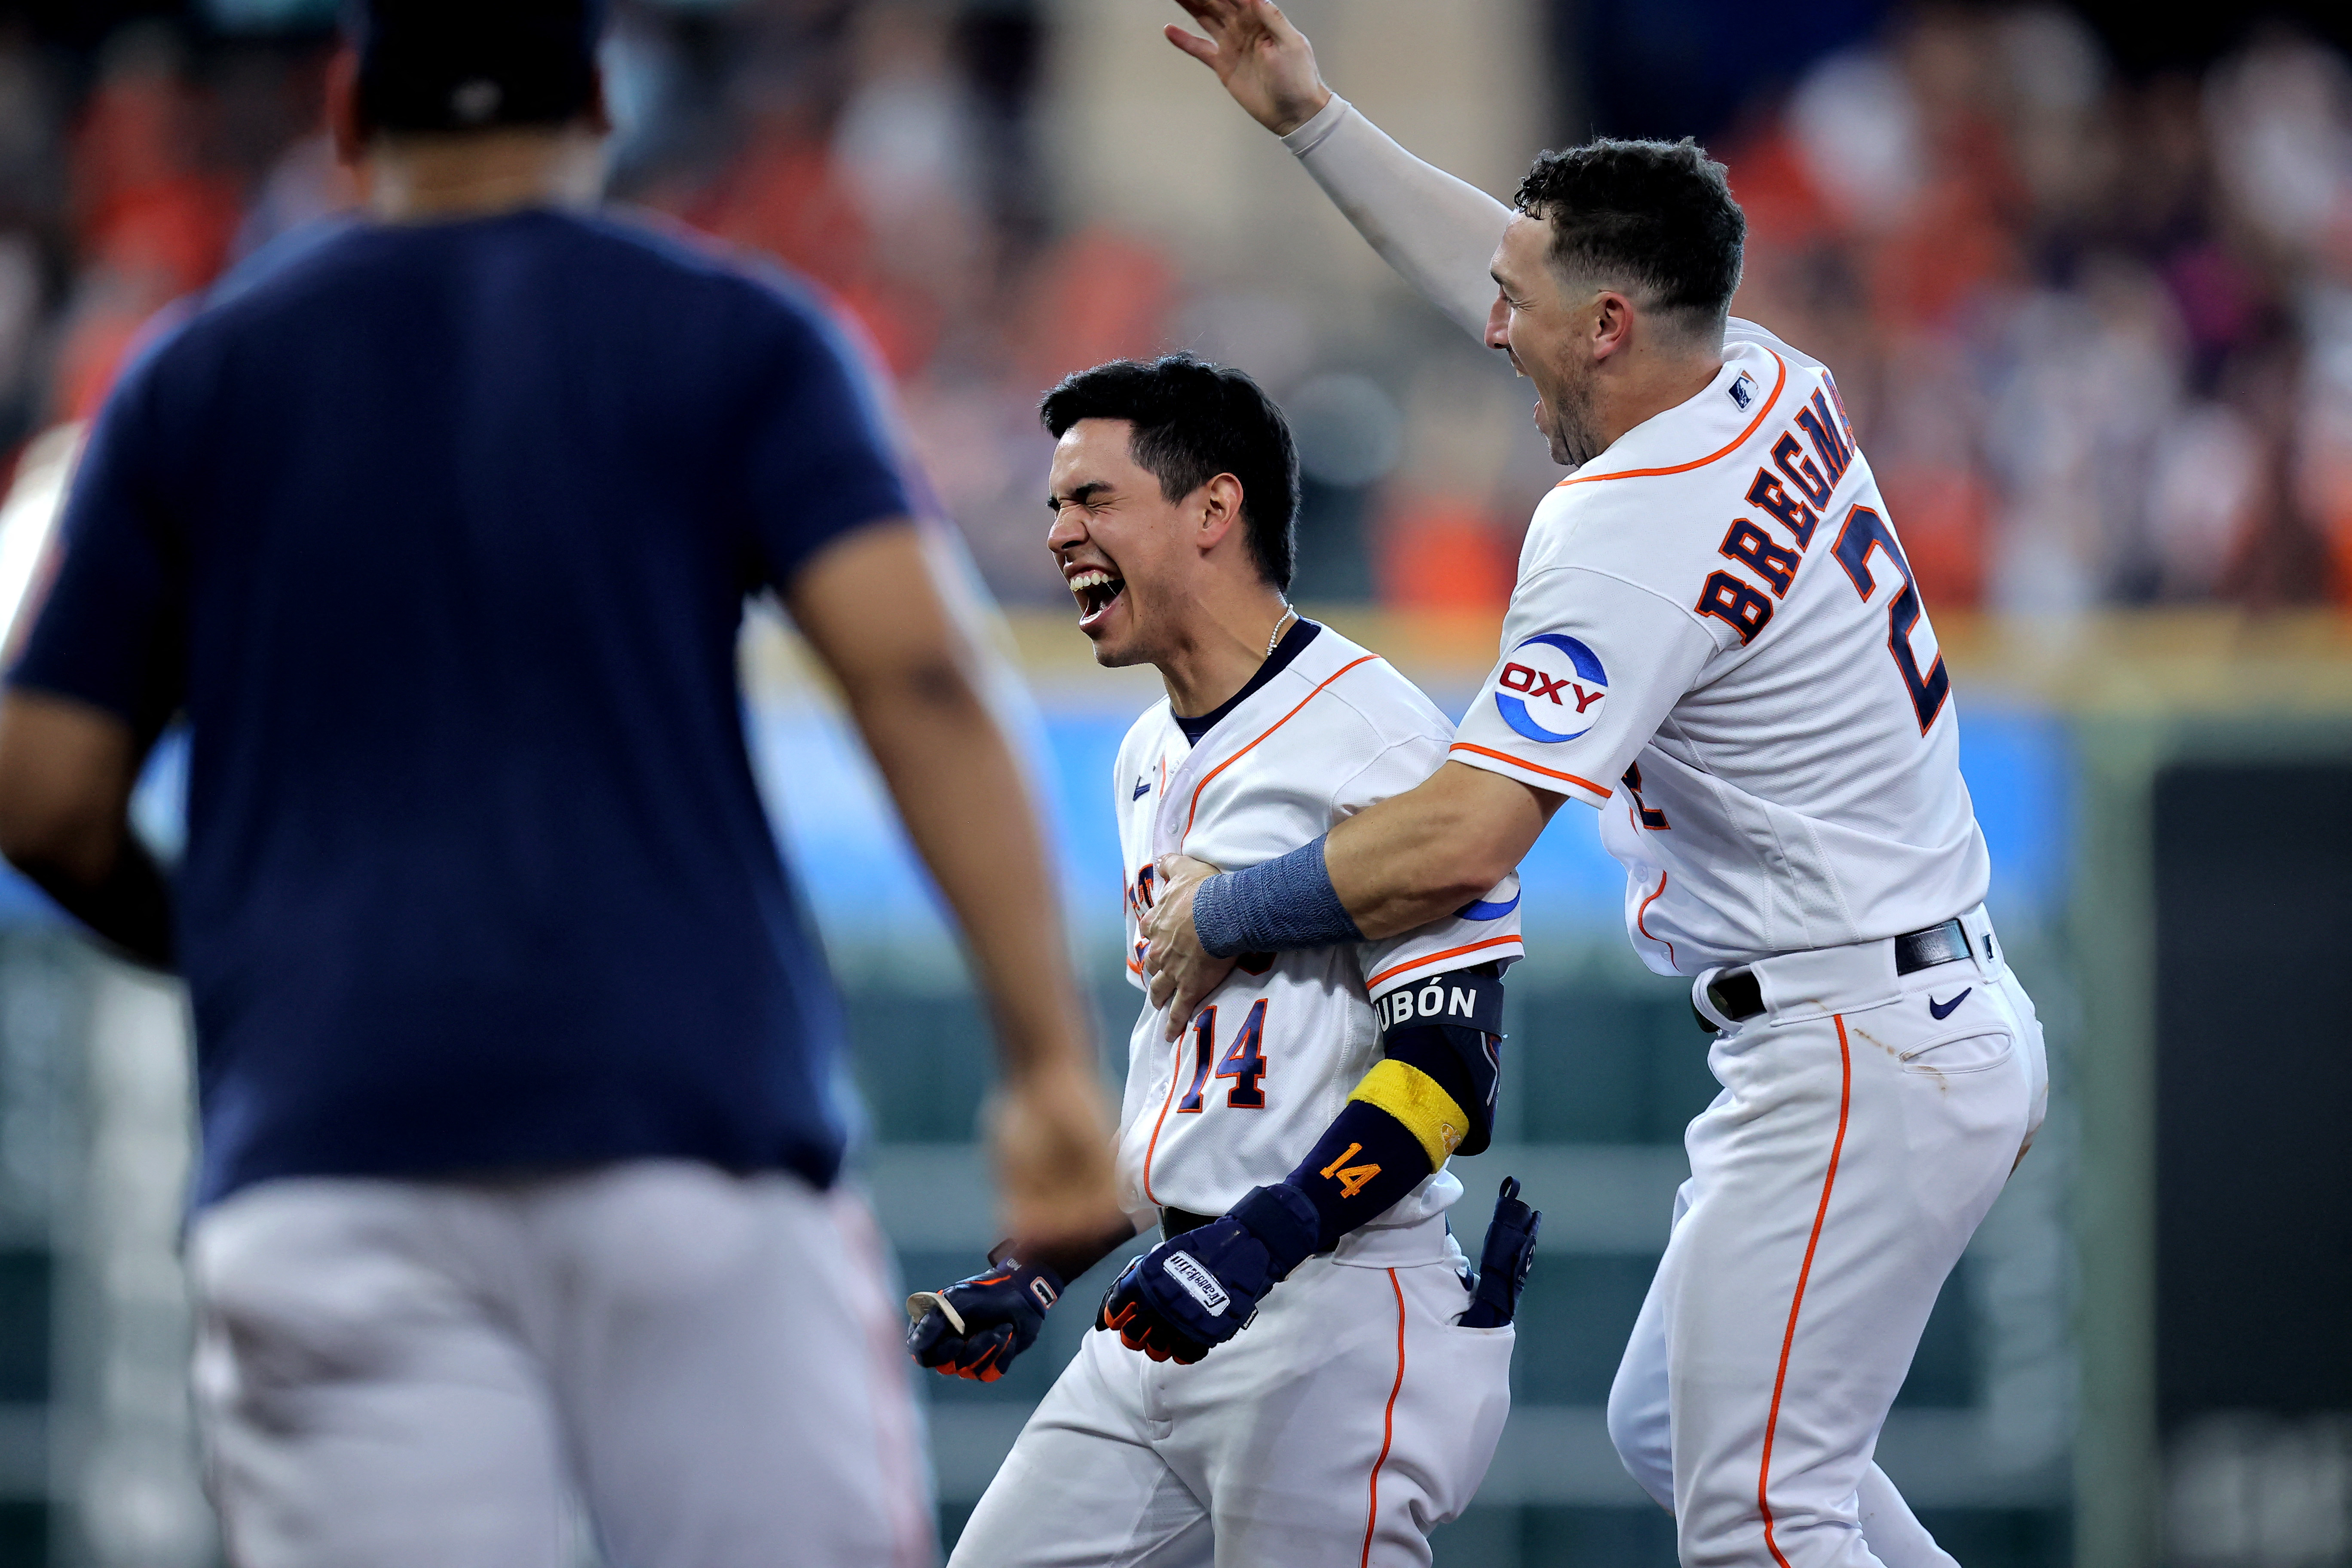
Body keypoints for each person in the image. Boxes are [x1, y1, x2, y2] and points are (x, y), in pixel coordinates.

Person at [0, 3, 1119, 1564]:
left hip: (331, 1157)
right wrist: (1050, 1070)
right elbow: (918, 675)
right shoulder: (736, 330)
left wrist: (237, 948)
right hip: (690, 1134)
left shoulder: (197, 377)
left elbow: (42, 793)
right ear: (599, 108)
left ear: (349, 122)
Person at [1148, 6, 2050, 1567]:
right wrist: (1312, 121)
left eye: (1526, 304)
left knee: (1760, 1518)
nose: (1494, 327)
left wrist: (1237, 903)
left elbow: (1467, 841)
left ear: (1615, 323)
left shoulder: (1627, 525)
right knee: (1694, 1440)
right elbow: (1524, 275)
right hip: (1921, 1005)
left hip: (1852, 1041)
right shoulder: (1764, 370)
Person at [904, 354, 1540, 1568]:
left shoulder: (1377, 735)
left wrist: (1270, 1235)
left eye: (1093, 499)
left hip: (1342, 1305)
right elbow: (1188, 1096)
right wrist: (1040, 1273)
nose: (1057, 533)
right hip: (1173, 1295)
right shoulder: (1146, 750)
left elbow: (1453, 1065)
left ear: (1213, 510)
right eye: (1053, 505)